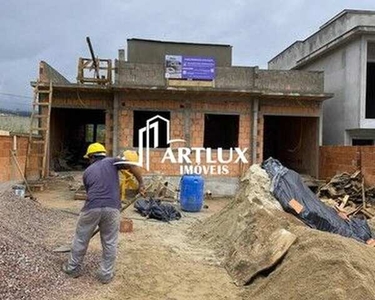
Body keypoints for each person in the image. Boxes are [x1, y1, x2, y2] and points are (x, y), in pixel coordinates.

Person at [62, 142, 145, 284]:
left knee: (81, 238)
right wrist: (141, 184)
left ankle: (72, 268)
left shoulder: (87, 172)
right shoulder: (112, 162)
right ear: (103, 154)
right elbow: (132, 164)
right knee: (109, 242)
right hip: (112, 209)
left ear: (91, 157)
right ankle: (105, 275)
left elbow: (90, 194)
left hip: (91, 208)